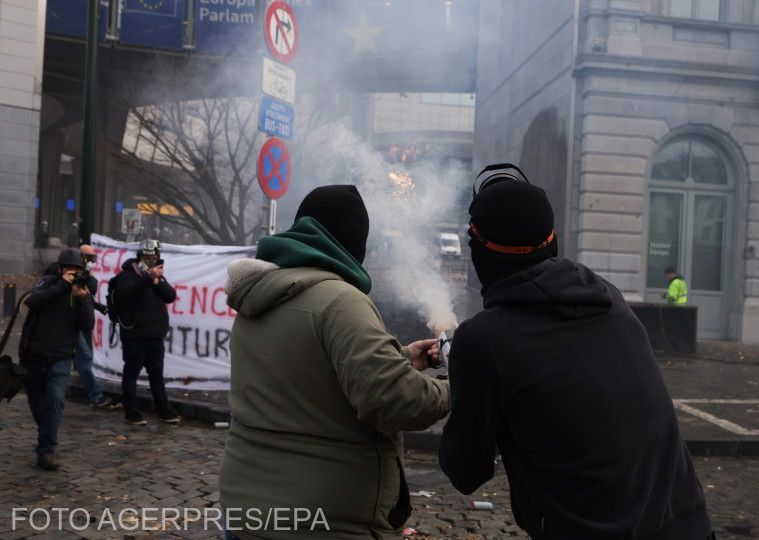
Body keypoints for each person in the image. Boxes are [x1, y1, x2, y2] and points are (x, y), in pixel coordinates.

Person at [438, 164, 715, 539]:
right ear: (551, 239)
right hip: (688, 526)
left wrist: (468, 380)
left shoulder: (483, 340)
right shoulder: (609, 298)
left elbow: (465, 472)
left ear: (479, 249)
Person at [219, 185, 451, 540]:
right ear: (353, 242)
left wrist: (402, 359)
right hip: (323, 523)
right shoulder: (341, 299)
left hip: (246, 513)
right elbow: (395, 401)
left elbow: (307, 373)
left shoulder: (259, 294)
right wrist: (462, 384)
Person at [19, 247, 95, 470]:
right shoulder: (48, 282)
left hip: (60, 358)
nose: (73, 272)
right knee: (38, 405)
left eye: (77, 269)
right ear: (61, 268)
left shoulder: (82, 291)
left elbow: (87, 325)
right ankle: (47, 432)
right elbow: (33, 302)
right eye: (69, 268)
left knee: (55, 400)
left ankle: (46, 451)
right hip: (32, 355)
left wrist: (82, 300)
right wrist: (62, 284)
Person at [114, 239, 179, 425]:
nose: (150, 261)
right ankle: (131, 411)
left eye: (154, 258)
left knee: (156, 374)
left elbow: (170, 296)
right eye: (147, 258)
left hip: (155, 335)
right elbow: (126, 292)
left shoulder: (156, 276)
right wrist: (147, 278)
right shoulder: (127, 275)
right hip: (135, 335)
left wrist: (157, 281)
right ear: (139, 258)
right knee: (131, 374)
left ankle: (163, 410)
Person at [74, 244, 112, 408]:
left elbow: (91, 290)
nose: (90, 262)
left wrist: (98, 306)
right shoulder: (66, 275)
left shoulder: (86, 276)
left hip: (81, 323)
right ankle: (96, 396)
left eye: (92, 259)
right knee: (85, 356)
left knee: (82, 356)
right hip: (70, 324)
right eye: (88, 259)